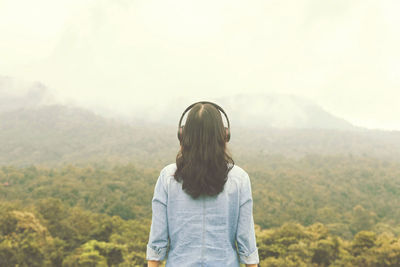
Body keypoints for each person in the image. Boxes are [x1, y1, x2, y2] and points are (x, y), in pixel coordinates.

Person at [146, 101, 259, 267]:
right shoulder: (239, 179)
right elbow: (247, 245)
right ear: (224, 135)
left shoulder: (167, 177)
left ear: (182, 135)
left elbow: (157, 243)